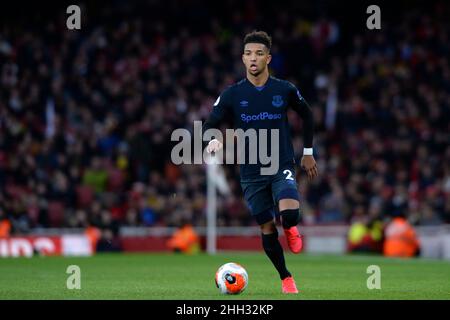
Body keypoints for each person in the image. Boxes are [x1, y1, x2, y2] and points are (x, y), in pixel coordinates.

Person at [202, 31, 318, 294]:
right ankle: (286, 277)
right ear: (243, 59)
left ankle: (290, 226)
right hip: (251, 172)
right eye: (248, 54)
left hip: (281, 164)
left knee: (289, 214)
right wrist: (214, 138)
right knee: (266, 227)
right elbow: (210, 124)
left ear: (268, 58)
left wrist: (308, 151)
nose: (253, 58)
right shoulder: (232, 94)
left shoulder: (284, 89)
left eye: (258, 53)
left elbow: (308, 115)